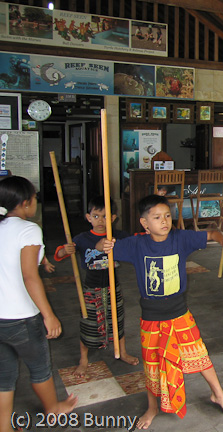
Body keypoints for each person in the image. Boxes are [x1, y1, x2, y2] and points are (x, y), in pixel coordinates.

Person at [100, 194, 223, 428]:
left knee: (200, 355)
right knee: (152, 365)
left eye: (167, 216)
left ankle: (219, 395)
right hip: (151, 316)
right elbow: (103, 247)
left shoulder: (180, 238)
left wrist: (222, 238)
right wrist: (103, 245)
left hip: (179, 312)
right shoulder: (136, 244)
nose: (164, 221)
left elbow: (211, 233)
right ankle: (152, 407)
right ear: (144, 223)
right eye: (156, 217)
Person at [0, 176, 78, 431]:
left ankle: (3, 426)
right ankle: (53, 409)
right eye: (34, 198)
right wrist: (49, 315)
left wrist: (43, 259)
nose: (36, 202)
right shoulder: (29, 229)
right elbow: (29, 276)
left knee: (4, 376)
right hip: (21, 317)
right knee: (39, 368)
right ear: (25, 203)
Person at [54, 196, 138, 377]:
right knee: (88, 323)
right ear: (88, 217)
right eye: (96, 216)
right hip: (90, 289)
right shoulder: (82, 239)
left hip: (112, 287)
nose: (101, 221)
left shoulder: (118, 236)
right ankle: (83, 359)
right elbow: (59, 254)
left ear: (113, 218)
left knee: (117, 321)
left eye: (105, 216)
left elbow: (137, 243)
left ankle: (123, 352)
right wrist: (65, 250)